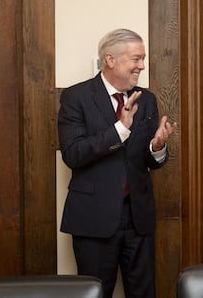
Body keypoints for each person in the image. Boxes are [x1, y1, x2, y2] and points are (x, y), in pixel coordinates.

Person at [58, 28, 177, 298]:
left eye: (143, 59)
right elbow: (73, 153)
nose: (142, 65)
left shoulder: (146, 100)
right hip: (94, 218)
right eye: (136, 59)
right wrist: (120, 130)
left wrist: (157, 147)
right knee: (97, 292)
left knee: (144, 292)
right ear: (111, 60)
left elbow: (148, 160)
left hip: (138, 217)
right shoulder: (76, 98)